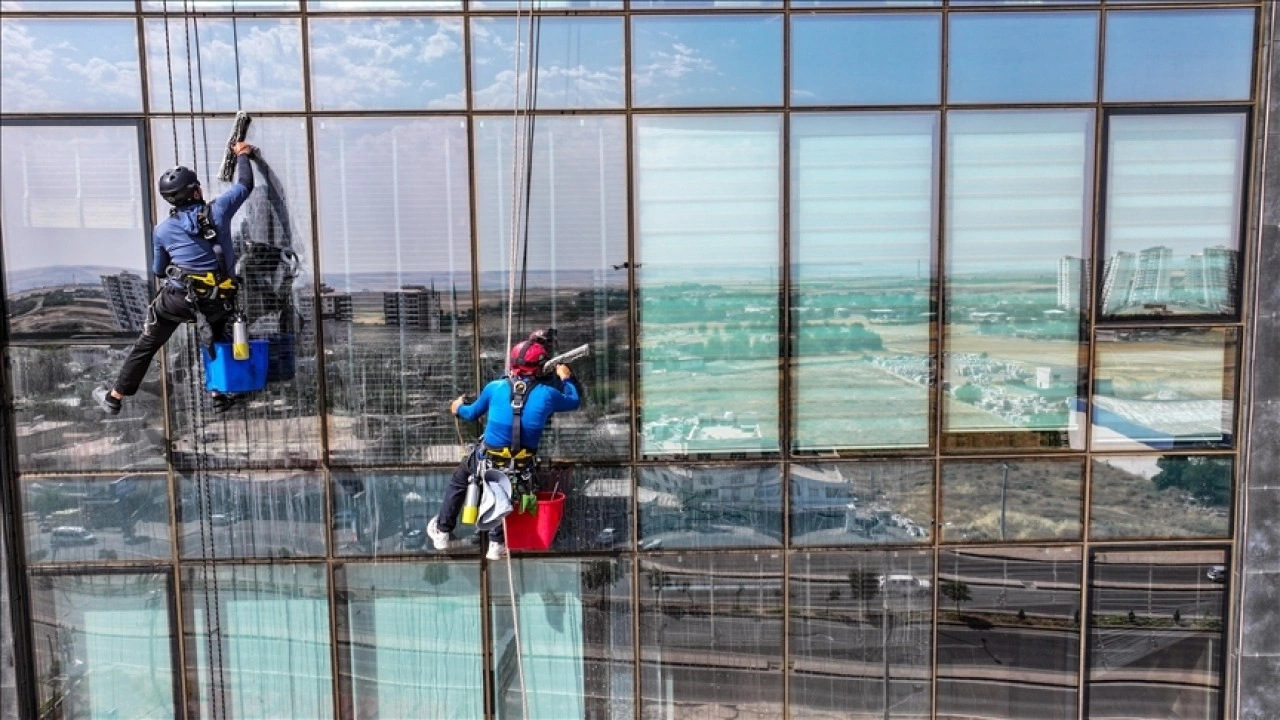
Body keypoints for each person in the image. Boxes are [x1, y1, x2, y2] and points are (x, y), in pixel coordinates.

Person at [94, 141, 256, 416]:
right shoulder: (219, 211)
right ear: (196, 191)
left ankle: (115, 397)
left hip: (178, 301)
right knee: (214, 337)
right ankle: (218, 394)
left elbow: (159, 270)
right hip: (217, 300)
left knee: (147, 345)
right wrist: (242, 154)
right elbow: (245, 185)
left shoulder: (163, 230)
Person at [428, 332, 582, 560]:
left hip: (487, 458)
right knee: (507, 489)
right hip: (521, 463)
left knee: (460, 481)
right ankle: (496, 543)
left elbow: (471, 413)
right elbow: (574, 401)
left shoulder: (496, 387)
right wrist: (566, 378)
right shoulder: (548, 394)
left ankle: (442, 531)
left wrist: (457, 407)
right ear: (540, 368)